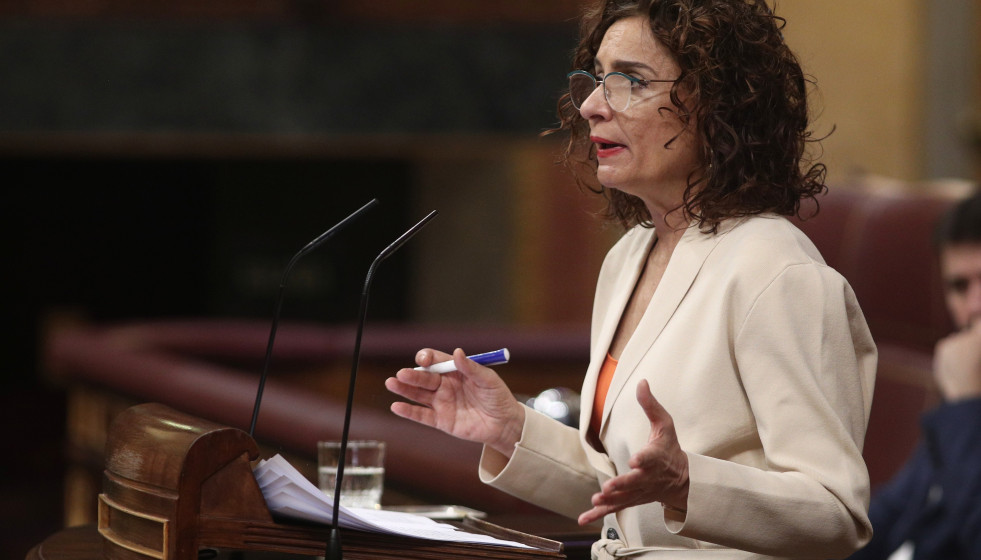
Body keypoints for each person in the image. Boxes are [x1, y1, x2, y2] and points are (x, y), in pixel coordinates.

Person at [386, 1, 877, 557]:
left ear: (719, 105)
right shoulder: (629, 257)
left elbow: (835, 513)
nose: (593, 106)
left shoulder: (780, 275)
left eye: (631, 81)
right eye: (598, 79)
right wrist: (508, 430)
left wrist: (690, 483)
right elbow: (624, 492)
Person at [848, 192, 981, 560]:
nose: (974, 307)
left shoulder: (966, 390)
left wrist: (967, 404)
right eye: (959, 286)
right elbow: (895, 510)